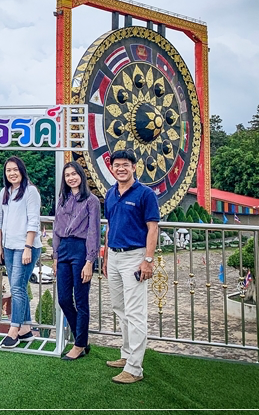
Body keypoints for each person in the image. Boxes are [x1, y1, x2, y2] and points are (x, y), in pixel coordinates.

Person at [103, 149, 159, 384]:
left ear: (134, 167)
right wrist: (105, 258)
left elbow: (153, 228)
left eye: (126, 164)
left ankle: (135, 368)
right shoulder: (110, 193)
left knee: (135, 313)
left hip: (135, 257)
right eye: (117, 165)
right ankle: (126, 355)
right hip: (114, 256)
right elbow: (109, 225)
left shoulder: (145, 194)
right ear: (112, 168)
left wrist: (147, 260)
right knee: (120, 307)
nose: (121, 169)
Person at [0, 156, 42, 348]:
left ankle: (13, 329)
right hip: (9, 246)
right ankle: (26, 330)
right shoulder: (5, 192)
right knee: (17, 287)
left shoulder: (30, 191)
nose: (12, 173)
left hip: (26, 247)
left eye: (15, 169)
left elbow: (33, 221)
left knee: (17, 288)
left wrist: (28, 247)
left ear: (22, 170)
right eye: (8, 170)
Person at [53, 160, 101, 360]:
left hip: (81, 250)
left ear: (81, 175)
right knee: (64, 299)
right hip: (63, 249)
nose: (71, 177)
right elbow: (56, 227)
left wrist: (90, 261)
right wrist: (55, 256)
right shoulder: (62, 199)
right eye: (67, 175)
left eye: (74, 174)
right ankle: (82, 337)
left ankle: (79, 344)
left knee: (81, 300)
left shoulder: (92, 201)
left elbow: (93, 232)